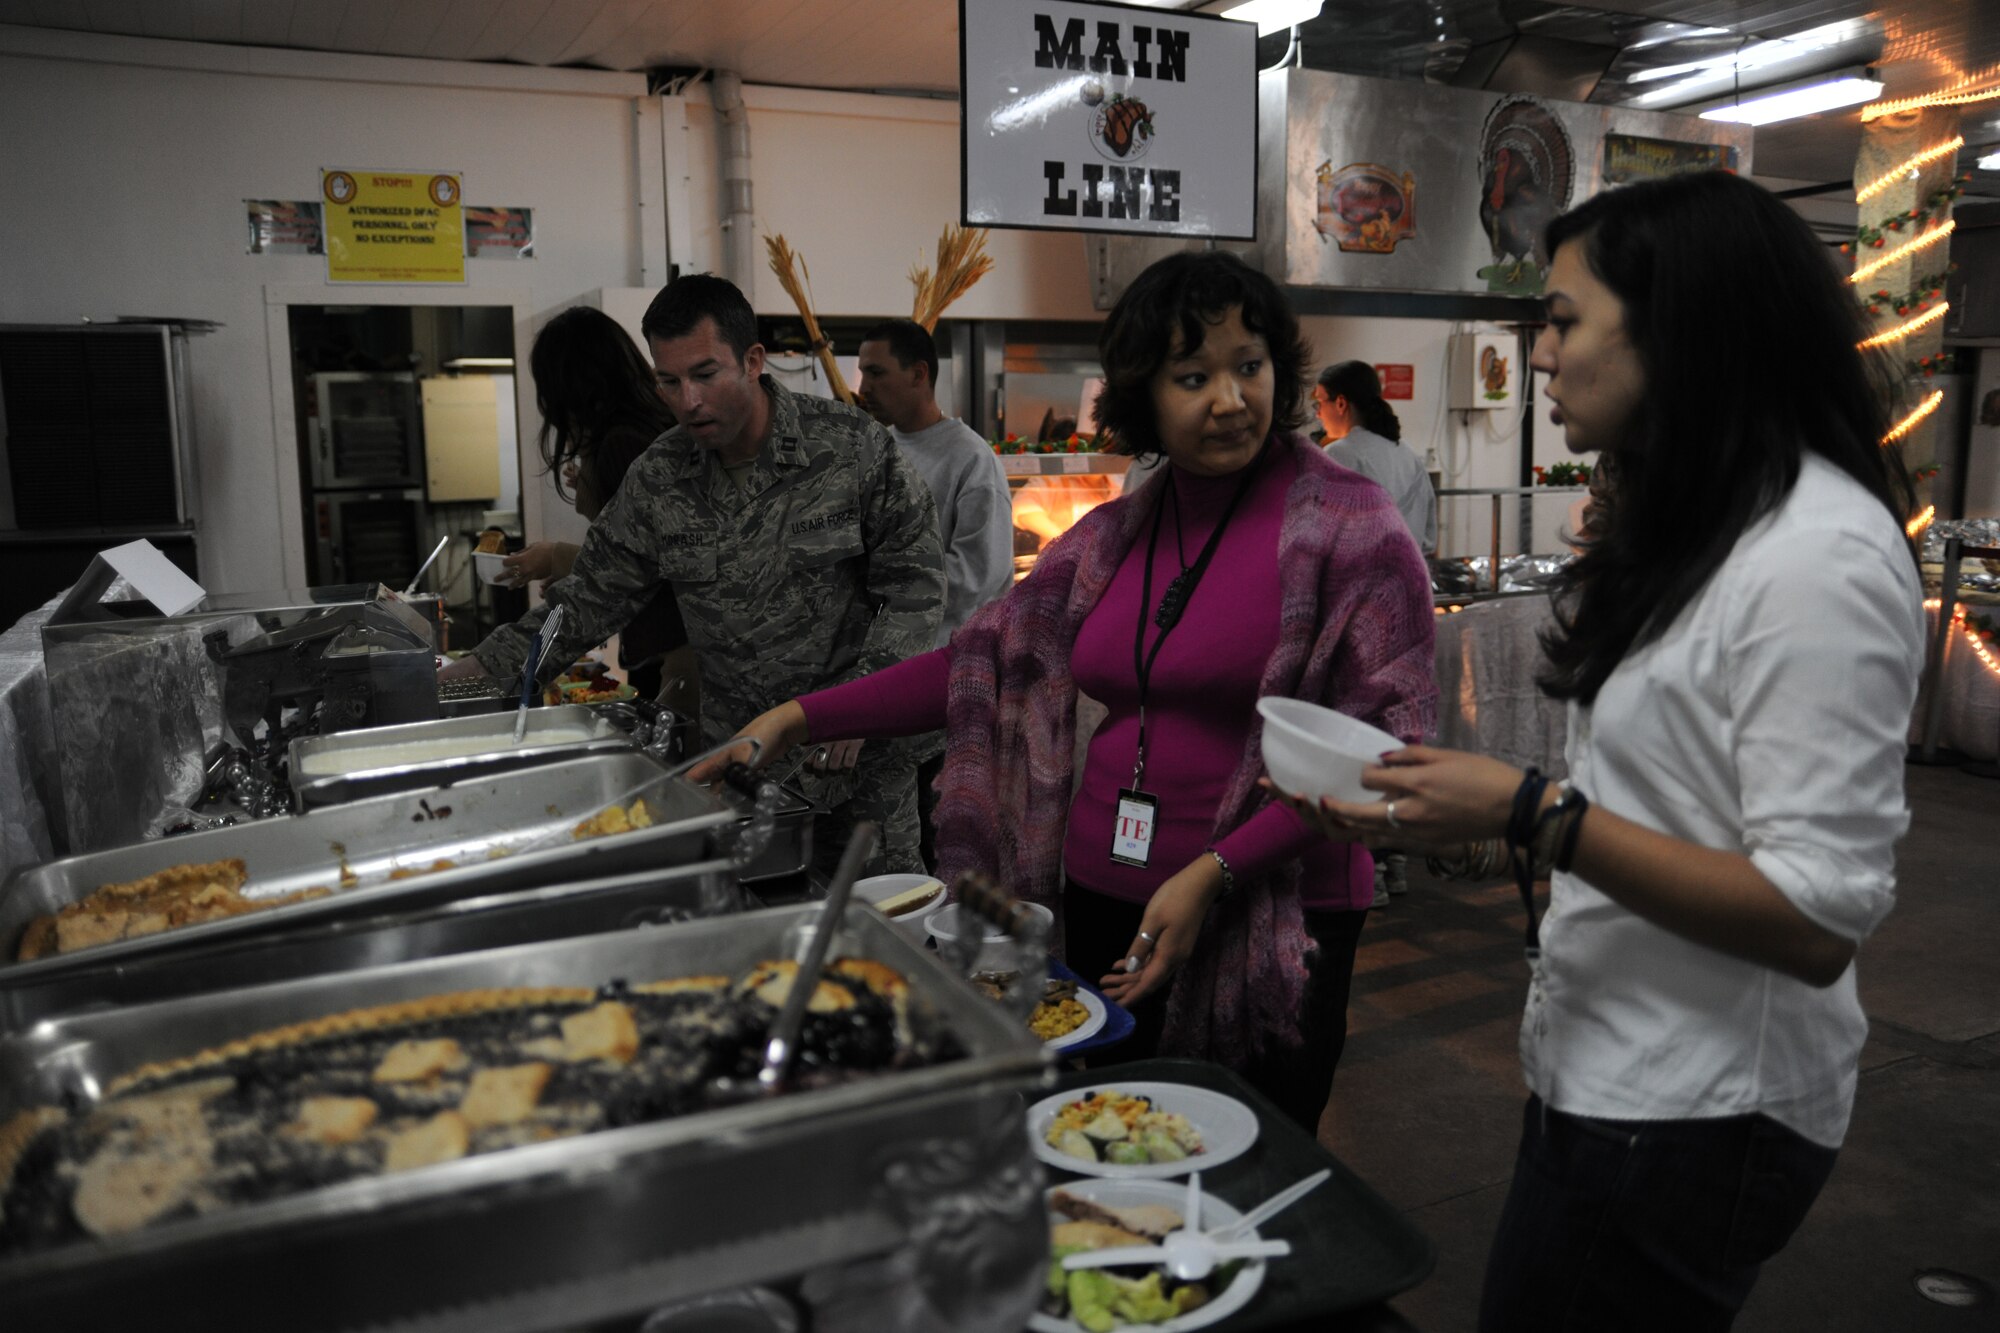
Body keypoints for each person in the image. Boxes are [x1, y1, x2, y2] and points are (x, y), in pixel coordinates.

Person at [1274, 172, 1924, 1330]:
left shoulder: (1813, 554)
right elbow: (1674, 796)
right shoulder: (1708, 524)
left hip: (1697, 1108)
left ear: (1677, 329)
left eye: (1563, 320)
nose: (1537, 356)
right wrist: (1470, 810)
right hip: (1613, 1066)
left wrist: (1532, 811)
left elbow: (1816, 918)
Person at [697, 251, 1436, 1130]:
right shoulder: (1116, 533)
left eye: (1250, 366)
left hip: (1275, 908)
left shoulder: (1352, 525)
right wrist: (792, 720)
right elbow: (981, 662)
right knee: (1098, 1139)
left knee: (1240, 1150)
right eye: (1192, 375)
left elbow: (1387, 740)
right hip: (1101, 900)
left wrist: (1218, 868)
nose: (1230, 398)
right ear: (1143, 393)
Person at [440, 274, 945, 877]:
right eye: (669, 380)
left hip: (858, 770)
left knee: (882, 937)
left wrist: (863, 703)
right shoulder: (660, 477)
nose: (688, 401)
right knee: (760, 935)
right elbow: (584, 602)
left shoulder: (851, 449)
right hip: (744, 771)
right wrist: (469, 675)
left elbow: (915, 588)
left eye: (705, 375)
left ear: (753, 361)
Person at [855, 318, 1015, 870]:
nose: (863, 385)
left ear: (920, 374)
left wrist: (887, 585)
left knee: (941, 832)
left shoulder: (970, 459)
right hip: (881, 673)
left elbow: (979, 578)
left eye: (877, 372)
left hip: (944, 680)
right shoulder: (874, 451)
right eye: (861, 371)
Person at [494, 306, 693, 712]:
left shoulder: (623, 442)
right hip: (679, 642)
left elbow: (648, 563)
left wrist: (558, 558)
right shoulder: (639, 427)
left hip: (676, 650)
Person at [1314, 361, 1438, 556]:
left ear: (1340, 403)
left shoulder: (1338, 454)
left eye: (1320, 402)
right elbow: (1429, 539)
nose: (1318, 413)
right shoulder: (1408, 454)